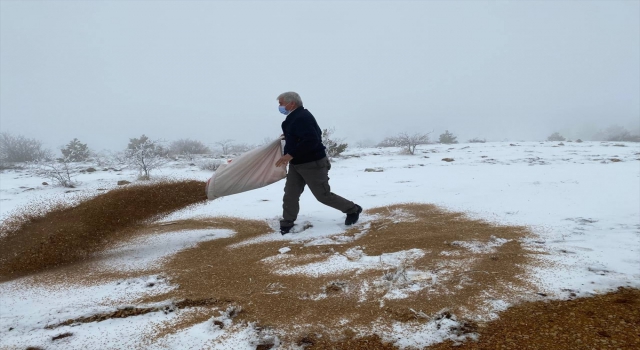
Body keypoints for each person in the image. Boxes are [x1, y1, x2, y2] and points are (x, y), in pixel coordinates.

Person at [274, 91, 362, 235]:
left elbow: (312, 139)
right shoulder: (295, 117)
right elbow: (309, 133)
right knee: (291, 193)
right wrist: (289, 136)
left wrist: (290, 154)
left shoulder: (302, 117)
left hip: (312, 164)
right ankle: (287, 222)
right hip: (297, 164)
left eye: (281, 103)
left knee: (323, 195)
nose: (280, 106)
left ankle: (353, 209)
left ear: (292, 103)